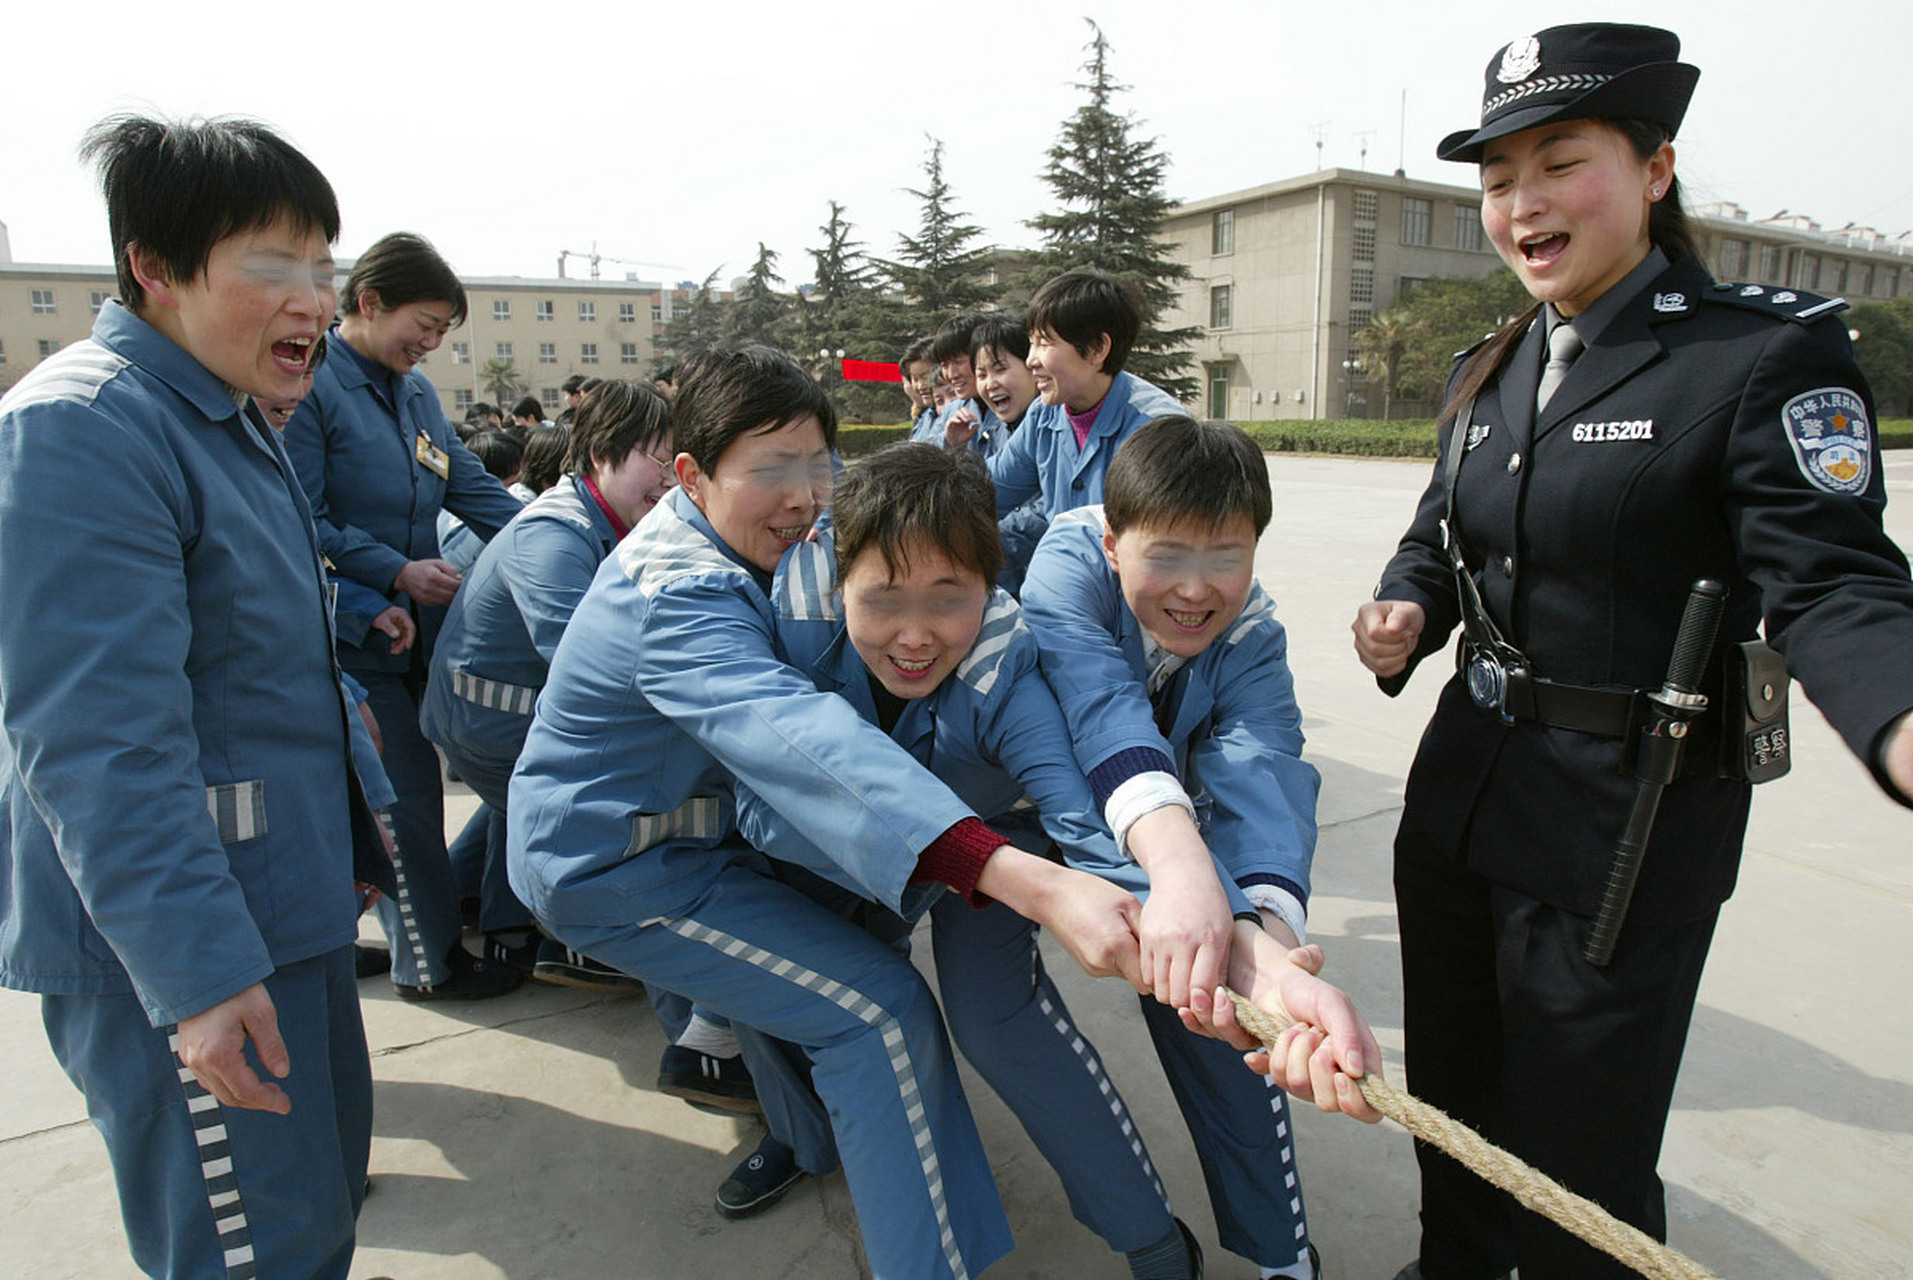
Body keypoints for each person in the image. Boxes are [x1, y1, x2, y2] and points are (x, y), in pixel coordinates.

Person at [1348, 25, 1913, 1280]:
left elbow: (1830, 578)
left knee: (1577, 1160)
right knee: (1450, 1104)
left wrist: (1897, 717)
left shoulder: (1756, 355)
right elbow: (1438, 539)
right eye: (1498, 179)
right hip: (1458, 799)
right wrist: (1401, 610)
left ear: (1654, 167)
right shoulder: (1485, 368)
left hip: (1624, 825)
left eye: (1560, 162)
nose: (1522, 202)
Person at [508, 345, 1149, 1280]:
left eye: (818, 466)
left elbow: (1065, 770)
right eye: (771, 470)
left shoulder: (968, 637)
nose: (804, 498)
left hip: (701, 845)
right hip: (620, 869)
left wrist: (1147, 884)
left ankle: (813, 1144)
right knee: (880, 1016)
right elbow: (802, 739)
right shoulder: (682, 595)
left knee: (836, 984)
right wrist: (1020, 877)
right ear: (691, 475)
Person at [747, 441, 1379, 1278]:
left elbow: (1214, 778)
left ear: (987, 588)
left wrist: (1255, 938)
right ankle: (797, 1133)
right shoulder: (791, 624)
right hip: (916, 848)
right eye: (884, 597)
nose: (915, 632)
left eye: (950, 596)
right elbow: (1102, 707)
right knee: (798, 975)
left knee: (1172, 1005)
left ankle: (1222, 1248)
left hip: (1051, 835)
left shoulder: (1013, 658)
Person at [0, 114, 384, 1279]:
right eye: (272, 265)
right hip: (190, 949)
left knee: (312, 1220)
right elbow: (98, 744)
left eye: (324, 266)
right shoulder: (85, 429)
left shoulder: (220, 414)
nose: (313, 300)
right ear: (153, 271)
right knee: (250, 1253)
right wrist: (201, 978)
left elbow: (263, 671)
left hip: (280, 904)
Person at [1023, 416, 1374, 1278]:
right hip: (1029, 811)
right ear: (1111, 542)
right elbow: (1095, 711)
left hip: (1149, 824)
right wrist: (1186, 878)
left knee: (1217, 1003)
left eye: (1226, 553)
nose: (1195, 588)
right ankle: (1145, 1236)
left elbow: (1262, 773)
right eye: (1167, 554)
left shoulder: (1253, 634)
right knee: (1002, 1017)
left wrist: (1270, 944)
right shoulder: (1064, 573)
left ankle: (1283, 1258)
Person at [284, 230, 527, 1000]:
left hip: (416, 629)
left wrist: (560, 529)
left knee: (380, 800)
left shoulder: (415, 392)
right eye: (421, 324)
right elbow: (298, 517)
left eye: (442, 332)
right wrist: (389, 573)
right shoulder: (314, 387)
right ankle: (428, 964)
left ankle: (324, 935)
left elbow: (469, 485)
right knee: (401, 799)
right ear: (366, 303)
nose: (429, 342)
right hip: (348, 629)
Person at [421, 379, 674, 991]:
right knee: (629, 785)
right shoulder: (554, 536)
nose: (669, 479)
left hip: (505, 718)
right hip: (489, 726)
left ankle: (473, 897)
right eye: (658, 460)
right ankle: (570, 940)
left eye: (678, 462)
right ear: (600, 455)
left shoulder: (606, 519)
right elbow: (583, 665)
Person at [983, 269, 1182, 528]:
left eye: (1045, 343)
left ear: (1097, 348)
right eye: (1031, 342)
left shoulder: (1157, 431)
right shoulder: (1043, 415)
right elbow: (988, 492)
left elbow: (1153, 545)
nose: (1031, 360)